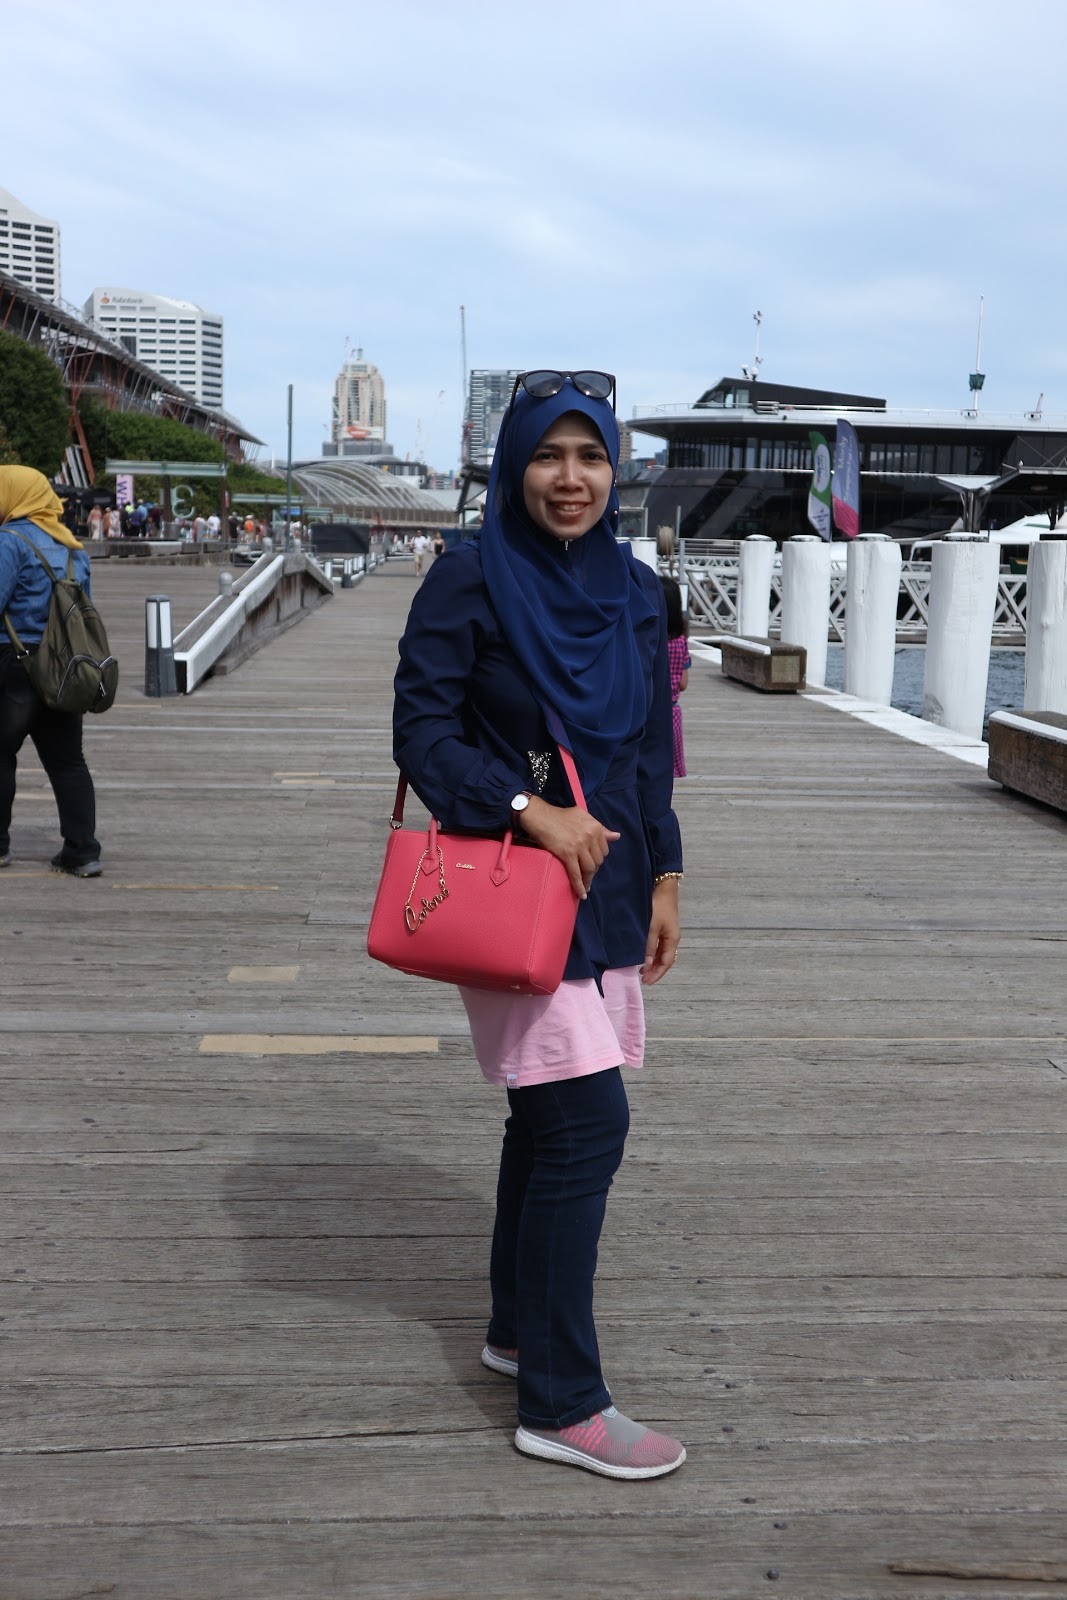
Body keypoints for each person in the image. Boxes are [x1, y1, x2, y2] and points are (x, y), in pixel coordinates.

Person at [393, 370, 685, 1479]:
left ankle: (516, 1331)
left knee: (543, 1118)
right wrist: (527, 806)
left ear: (616, 469)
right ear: (514, 465)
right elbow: (421, 732)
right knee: (584, 1126)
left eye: (590, 456)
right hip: (516, 887)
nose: (571, 479)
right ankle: (561, 1404)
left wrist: (666, 876)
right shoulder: (469, 577)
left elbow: (647, 751)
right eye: (548, 455)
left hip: (609, 890)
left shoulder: (635, 587)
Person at [0, 466, 102, 877]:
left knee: (1, 754)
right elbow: (83, 612)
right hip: (63, 666)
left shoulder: (10, 541)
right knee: (67, 762)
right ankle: (82, 851)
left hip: (14, 664)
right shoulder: (73, 548)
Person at [660, 574, 691, 777]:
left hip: (652, 712)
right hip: (673, 712)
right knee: (670, 769)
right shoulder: (681, 642)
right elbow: (683, 683)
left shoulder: (652, 639)